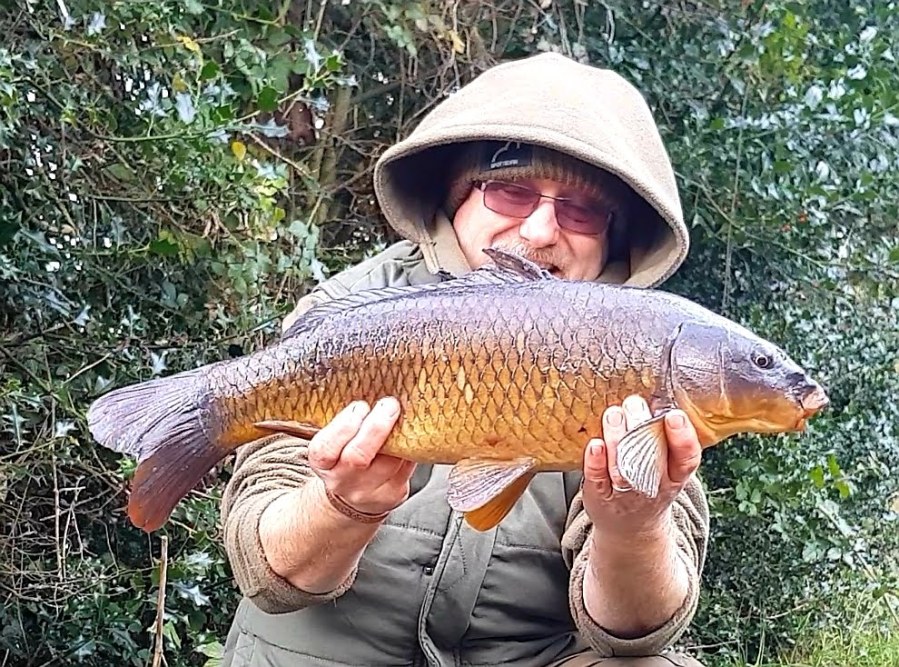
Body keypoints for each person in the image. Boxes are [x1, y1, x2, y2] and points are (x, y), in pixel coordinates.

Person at [220, 52, 710, 667]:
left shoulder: (638, 349)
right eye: (511, 192)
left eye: (581, 210)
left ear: (613, 234)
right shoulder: (352, 311)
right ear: (457, 197)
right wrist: (342, 506)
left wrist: (632, 529)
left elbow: (636, 631)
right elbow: (263, 571)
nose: (539, 232)